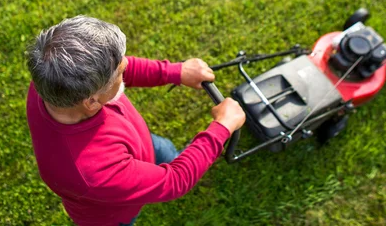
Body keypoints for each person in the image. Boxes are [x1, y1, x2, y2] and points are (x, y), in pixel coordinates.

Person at [25, 15, 245, 226]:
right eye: (120, 72)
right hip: (113, 214)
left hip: (138, 143)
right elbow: (176, 180)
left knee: (164, 150)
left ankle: (172, 156)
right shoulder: (93, 172)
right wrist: (221, 128)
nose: (126, 68)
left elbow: (115, 67)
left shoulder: (51, 79)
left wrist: (174, 71)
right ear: (92, 102)